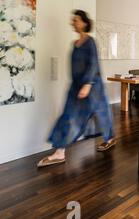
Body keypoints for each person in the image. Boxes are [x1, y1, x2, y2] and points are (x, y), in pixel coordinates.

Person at [37, 10, 116, 167]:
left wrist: (88, 84)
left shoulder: (90, 42)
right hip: (76, 87)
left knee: (101, 113)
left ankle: (110, 138)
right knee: (68, 115)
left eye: (76, 20)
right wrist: (78, 85)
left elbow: (93, 64)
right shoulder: (74, 44)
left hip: (93, 87)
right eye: (73, 20)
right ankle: (59, 152)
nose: (73, 22)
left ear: (85, 23)